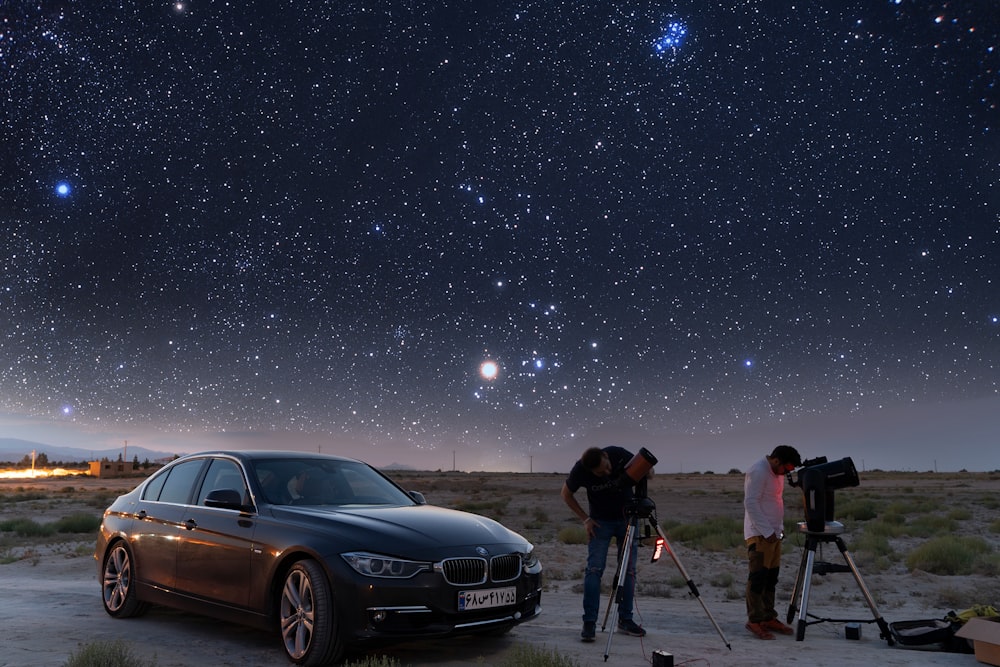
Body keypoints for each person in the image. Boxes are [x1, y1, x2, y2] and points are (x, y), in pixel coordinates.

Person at [561, 446, 649, 642]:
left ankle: (625, 620)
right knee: (594, 570)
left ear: (606, 456)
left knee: (629, 571)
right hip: (600, 523)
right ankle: (589, 622)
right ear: (589, 470)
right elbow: (566, 494)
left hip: (627, 519)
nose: (607, 473)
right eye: (601, 473)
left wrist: (647, 471)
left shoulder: (618, 454)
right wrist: (585, 519)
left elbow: (646, 472)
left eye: (607, 467)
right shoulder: (580, 470)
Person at [743, 445, 802, 639]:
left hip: (774, 534)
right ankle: (755, 621)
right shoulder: (758, 471)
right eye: (787, 468)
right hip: (760, 535)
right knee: (758, 578)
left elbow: (775, 501)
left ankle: (768, 617)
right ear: (776, 461)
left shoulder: (777, 473)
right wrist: (767, 531)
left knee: (771, 578)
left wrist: (778, 530)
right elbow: (750, 502)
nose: (787, 473)